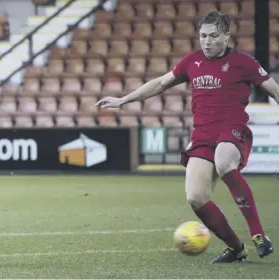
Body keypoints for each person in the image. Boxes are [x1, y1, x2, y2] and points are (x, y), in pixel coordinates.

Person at [96, 11, 278, 264]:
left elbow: (273, 89)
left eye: (213, 36)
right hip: (202, 135)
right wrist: (123, 100)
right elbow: (160, 83)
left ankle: (258, 234)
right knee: (195, 198)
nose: (207, 42)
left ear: (226, 36)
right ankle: (236, 248)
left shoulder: (243, 62)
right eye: (203, 36)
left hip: (232, 129)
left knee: (225, 161)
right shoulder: (192, 61)